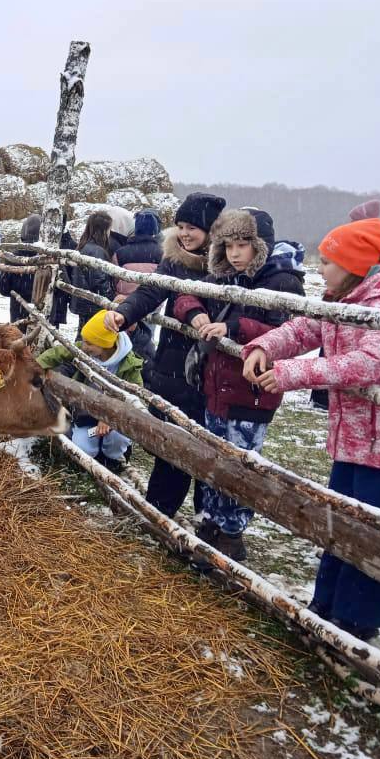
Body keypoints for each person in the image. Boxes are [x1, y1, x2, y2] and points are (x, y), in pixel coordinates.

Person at [242, 218, 380, 640]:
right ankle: (327, 604)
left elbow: (365, 364)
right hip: (352, 438)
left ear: (355, 263)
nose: (321, 268)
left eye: (328, 261)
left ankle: (360, 621)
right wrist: (265, 346)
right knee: (340, 521)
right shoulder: (341, 297)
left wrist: (291, 373)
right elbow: (304, 328)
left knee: (375, 532)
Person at [173, 210, 305, 561]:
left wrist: (235, 329)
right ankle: (212, 523)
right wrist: (194, 312)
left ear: (259, 245)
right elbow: (186, 295)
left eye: (243, 245)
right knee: (216, 459)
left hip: (252, 393)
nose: (234, 253)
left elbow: (290, 335)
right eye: (229, 245)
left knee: (241, 464)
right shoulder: (225, 275)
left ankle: (232, 533)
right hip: (217, 388)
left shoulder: (282, 283)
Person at [103, 191, 227, 518]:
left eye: (193, 227)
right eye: (181, 226)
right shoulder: (174, 259)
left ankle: (208, 519)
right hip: (174, 360)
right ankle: (158, 511)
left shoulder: (227, 265)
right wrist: (125, 313)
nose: (185, 233)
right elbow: (151, 290)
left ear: (211, 230)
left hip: (211, 368)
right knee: (171, 444)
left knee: (207, 448)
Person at [37, 310, 143, 472]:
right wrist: (33, 367)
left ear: (106, 344)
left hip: (115, 419)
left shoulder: (129, 364)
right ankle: (91, 458)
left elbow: (134, 396)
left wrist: (110, 417)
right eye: (84, 341)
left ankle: (111, 460)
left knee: (117, 440)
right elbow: (57, 353)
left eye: (89, 343)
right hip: (86, 413)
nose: (84, 346)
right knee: (84, 448)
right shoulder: (84, 351)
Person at [112, 209, 163, 369]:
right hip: (152, 304)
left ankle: (126, 367)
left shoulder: (121, 253)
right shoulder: (162, 253)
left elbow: (114, 278)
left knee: (124, 339)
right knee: (147, 336)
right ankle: (143, 367)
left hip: (125, 303)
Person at [67, 211, 116, 337]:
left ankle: (77, 355)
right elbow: (99, 280)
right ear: (103, 230)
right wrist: (111, 298)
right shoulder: (97, 251)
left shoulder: (84, 246)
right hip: (93, 304)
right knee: (90, 337)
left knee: (84, 335)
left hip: (83, 301)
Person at [0, 214, 40, 323]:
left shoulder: (14, 257)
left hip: (18, 310)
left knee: (19, 337)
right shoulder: (48, 257)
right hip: (42, 309)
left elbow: (2, 287)